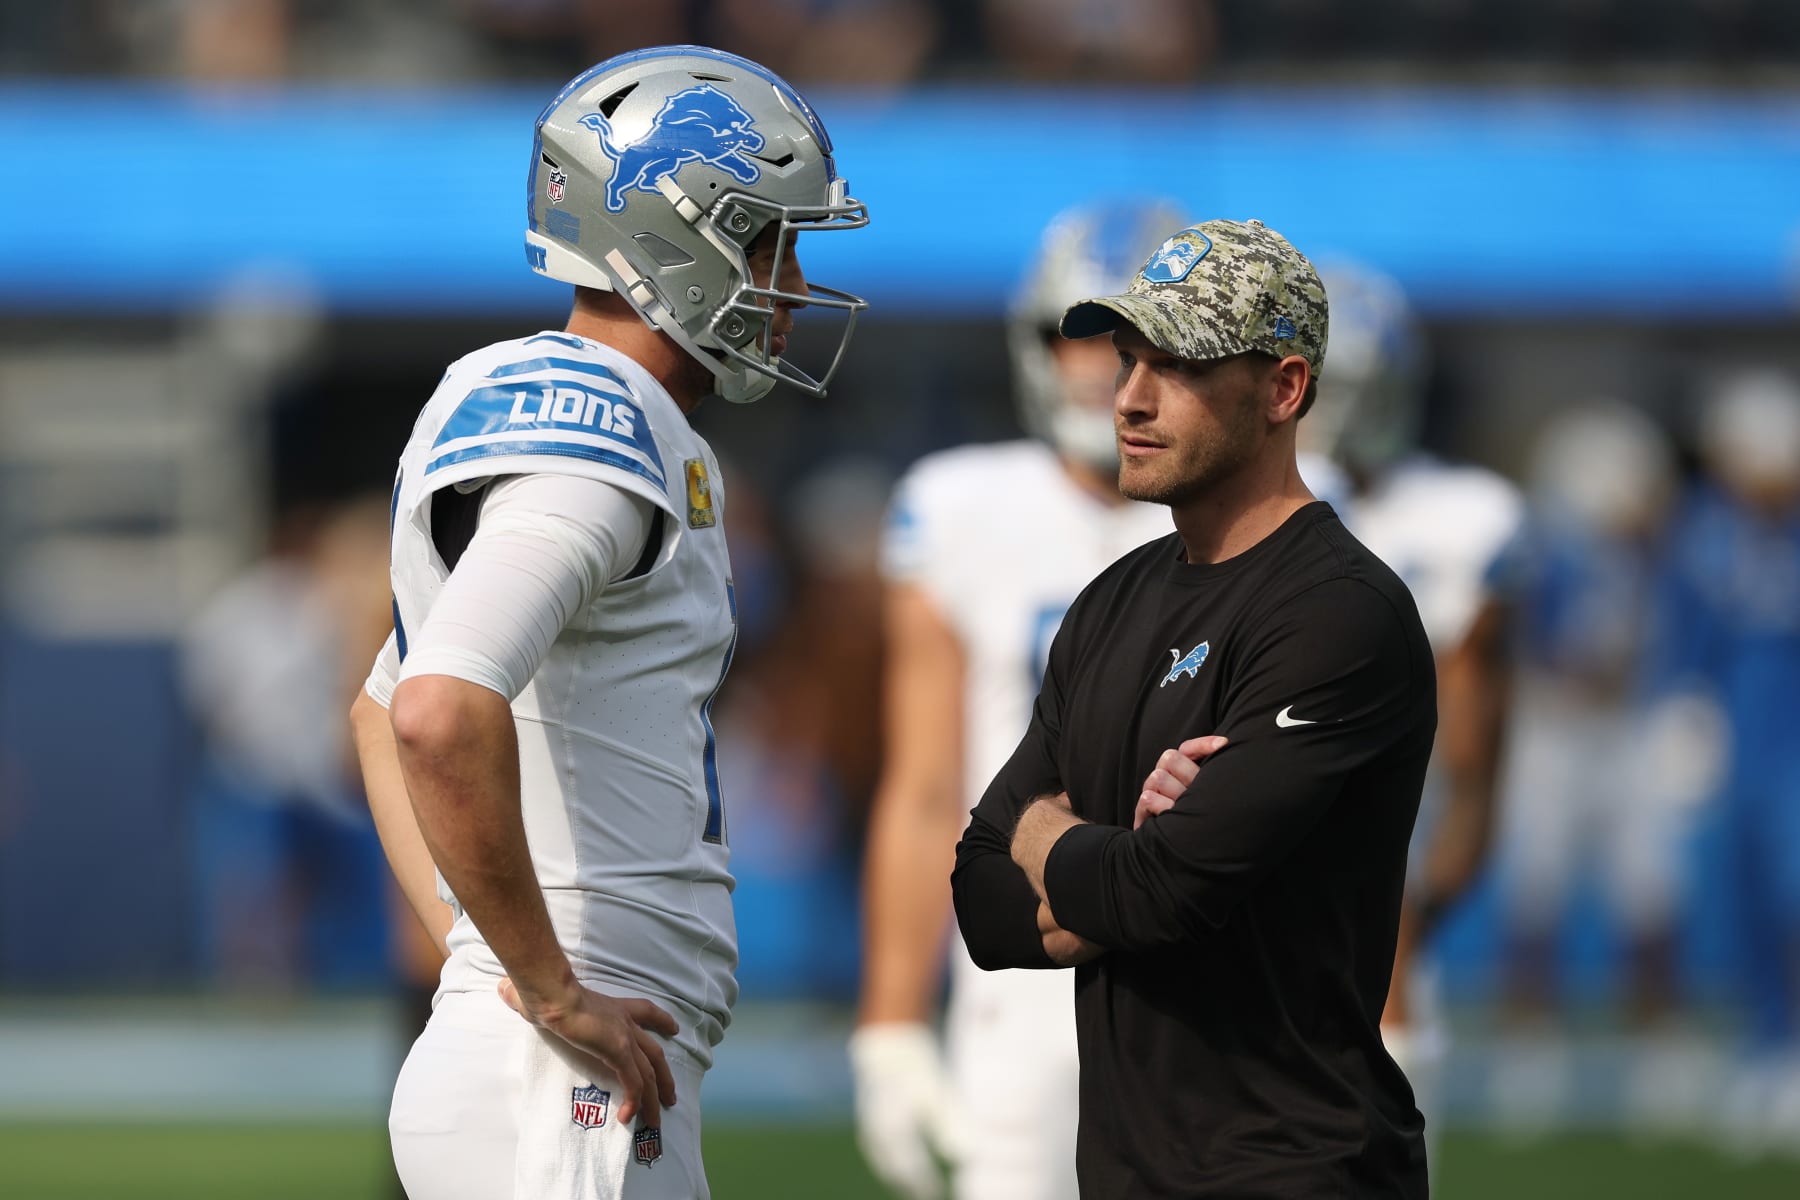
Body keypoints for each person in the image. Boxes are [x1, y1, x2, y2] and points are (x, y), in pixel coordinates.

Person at [346, 45, 868, 1200]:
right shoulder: (597, 438)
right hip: (561, 1072)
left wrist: (475, 952)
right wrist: (538, 979)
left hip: (556, 1058)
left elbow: (382, 706)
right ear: (678, 234)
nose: (786, 283)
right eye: (770, 240)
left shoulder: (581, 413)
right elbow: (435, 711)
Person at [952, 219, 1434, 1198]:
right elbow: (980, 898)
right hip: (1127, 1173)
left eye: (1176, 366)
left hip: (1299, 1169)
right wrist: (1117, 867)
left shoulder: (1341, 612)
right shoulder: (1114, 600)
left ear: (1284, 390)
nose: (1127, 397)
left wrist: (1062, 839)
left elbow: (1158, 891)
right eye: (1128, 359)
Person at [851, 201, 1182, 1200]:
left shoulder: (1285, 509)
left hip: (1229, 966)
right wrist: (891, 1018)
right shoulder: (961, 509)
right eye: (1074, 333)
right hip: (1027, 968)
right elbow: (924, 787)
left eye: (1134, 336)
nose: (1097, 365)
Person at [1298, 261, 1524, 1148]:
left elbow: (1477, 760)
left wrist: (1422, 911)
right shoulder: (1230, 508)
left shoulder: (1464, 520)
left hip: (1385, 886)